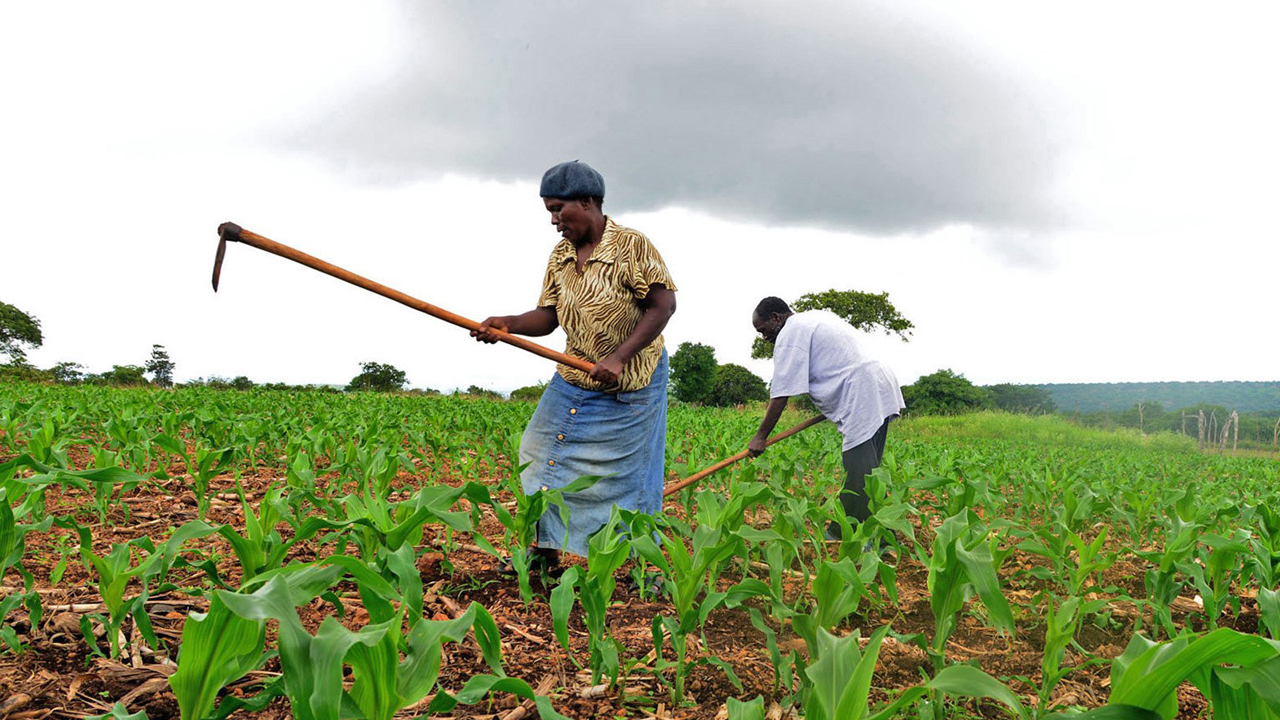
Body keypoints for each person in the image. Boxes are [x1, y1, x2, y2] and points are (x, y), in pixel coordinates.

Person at [471, 161, 677, 563]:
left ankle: (640, 562)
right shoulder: (561, 254)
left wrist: (619, 357)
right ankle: (543, 548)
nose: (553, 220)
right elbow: (548, 317)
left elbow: (663, 305)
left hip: (630, 383)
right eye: (548, 211)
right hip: (574, 374)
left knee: (629, 478)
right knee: (537, 453)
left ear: (587, 202)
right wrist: (507, 324)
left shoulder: (631, 245)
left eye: (558, 210)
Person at [747, 297, 904, 540]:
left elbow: (781, 394)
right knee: (867, 470)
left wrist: (760, 436)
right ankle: (860, 532)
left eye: (763, 329)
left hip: (862, 389)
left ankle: (864, 537)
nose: (764, 337)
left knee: (860, 471)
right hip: (880, 381)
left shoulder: (791, 332)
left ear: (776, 318)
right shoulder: (814, 318)